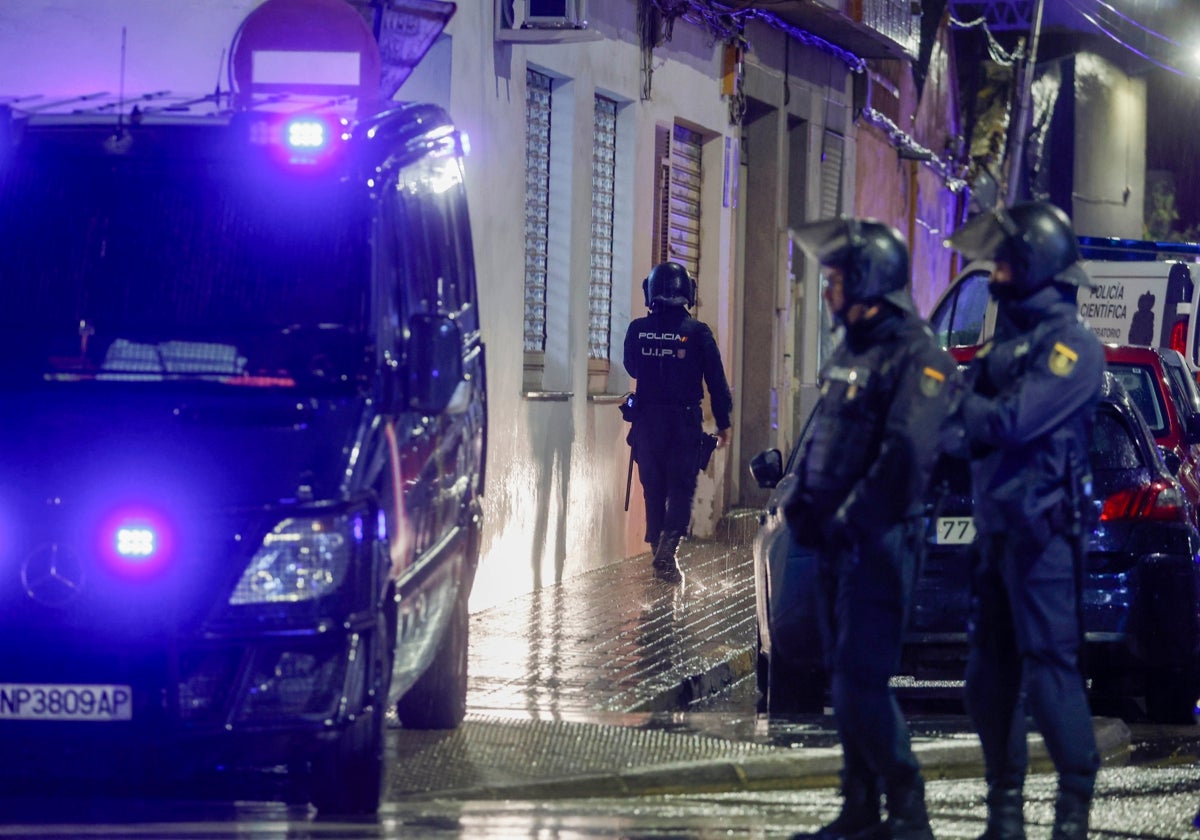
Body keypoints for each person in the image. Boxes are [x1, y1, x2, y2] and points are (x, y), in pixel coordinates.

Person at [784, 218, 958, 840]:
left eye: (835, 279)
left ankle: (908, 809)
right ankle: (860, 807)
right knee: (841, 677)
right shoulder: (853, 348)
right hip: (837, 543)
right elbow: (827, 435)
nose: (826, 290)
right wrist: (802, 502)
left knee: (862, 678)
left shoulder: (920, 356)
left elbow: (907, 451)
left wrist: (851, 517)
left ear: (867, 283)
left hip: (881, 542)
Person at [945, 199, 1105, 840]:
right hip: (997, 533)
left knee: (1049, 678)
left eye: (1009, 262)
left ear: (1037, 265)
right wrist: (970, 409)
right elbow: (956, 434)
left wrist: (966, 403)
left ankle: (1072, 814)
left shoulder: (1073, 347)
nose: (998, 272)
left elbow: (1009, 423)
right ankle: (1004, 815)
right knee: (986, 681)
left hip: (1043, 539)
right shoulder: (1006, 344)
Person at [623, 261, 732, 583]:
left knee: (653, 488)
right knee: (682, 489)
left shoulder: (636, 329)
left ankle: (659, 549)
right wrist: (724, 422)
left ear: (651, 291)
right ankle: (667, 552)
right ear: (688, 292)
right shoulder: (698, 333)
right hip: (684, 423)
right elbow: (716, 380)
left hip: (647, 421)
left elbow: (631, 367)